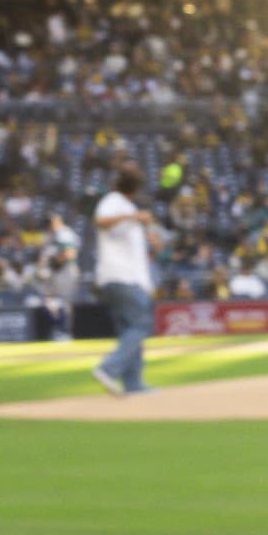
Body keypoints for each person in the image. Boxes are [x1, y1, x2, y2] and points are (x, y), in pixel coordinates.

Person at [92, 165, 156, 395]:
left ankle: (134, 383)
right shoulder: (114, 200)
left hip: (125, 278)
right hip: (121, 277)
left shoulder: (127, 207)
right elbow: (100, 220)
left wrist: (149, 234)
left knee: (130, 329)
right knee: (140, 325)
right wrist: (133, 216)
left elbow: (137, 247)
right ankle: (109, 369)